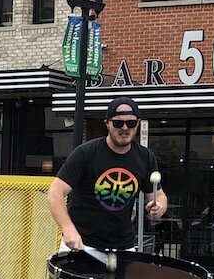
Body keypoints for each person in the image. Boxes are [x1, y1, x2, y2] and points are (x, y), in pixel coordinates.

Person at [48, 96, 167, 251]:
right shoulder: (85, 153)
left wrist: (159, 207)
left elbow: (158, 195)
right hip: (82, 244)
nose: (125, 128)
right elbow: (55, 193)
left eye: (131, 123)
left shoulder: (145, 157)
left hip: (123, 247)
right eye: (118, 123)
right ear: (107, 124)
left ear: (137, 124)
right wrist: (68, 229)